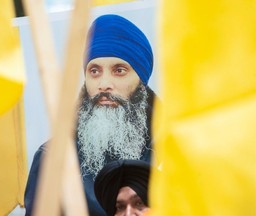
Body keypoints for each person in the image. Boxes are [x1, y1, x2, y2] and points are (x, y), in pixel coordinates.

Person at [24, 14, 159, 216]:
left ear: (141, 82)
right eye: (94, 71)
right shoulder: (54, 159)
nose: (103, 83)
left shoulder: (173, 151)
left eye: (119, 70)